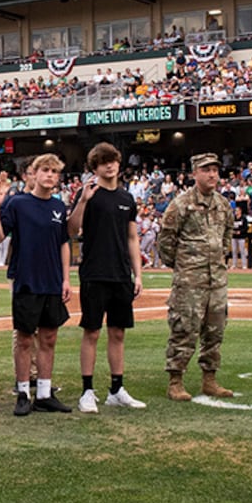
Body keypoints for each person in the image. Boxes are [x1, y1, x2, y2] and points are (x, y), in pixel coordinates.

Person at [0, 154, 73, 415]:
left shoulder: (58, 207)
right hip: (26, 279)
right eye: (45, 170)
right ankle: (23, 391)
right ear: (33, 173)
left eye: (54, 172)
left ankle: (44, 393)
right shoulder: (18, 203)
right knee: (24, 339)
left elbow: (63, 244)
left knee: (49, 337)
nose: (50, 176)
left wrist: (66, 278)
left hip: (52, 281)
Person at [68, 143, 145, 413]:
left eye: (112, 161)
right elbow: (72, 228)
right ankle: (87, 390)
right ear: (95, 167)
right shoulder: (88, 193)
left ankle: (116, 388)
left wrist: (138, 274)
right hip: (94, 271)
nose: (109, 166)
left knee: (118, 332)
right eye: (103, 163)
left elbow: (132, 238)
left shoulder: (127, 198)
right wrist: (83, 201)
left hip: (121, 273)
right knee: (91, 331)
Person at [157, 153, 235, 402]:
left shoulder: (222, 204)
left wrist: (220, 257)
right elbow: (166, 242)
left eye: (215, 169)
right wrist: (184, 266)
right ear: (194, 173)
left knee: (215, 330)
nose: (212, 174)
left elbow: (227, 234)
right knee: (185, 328)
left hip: (216, 280)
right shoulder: (181, 204)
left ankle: (209, 379)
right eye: (206, 170)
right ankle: (175, 380)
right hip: (190, 280)